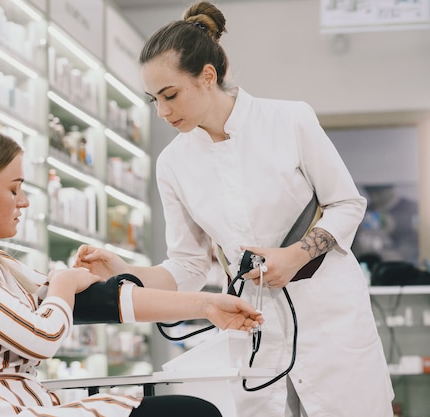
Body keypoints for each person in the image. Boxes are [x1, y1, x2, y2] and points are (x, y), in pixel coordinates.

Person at [75, 2, 394, 416]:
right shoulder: (173, 163)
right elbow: (186, 265)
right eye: (154, 99)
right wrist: (123, 271)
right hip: (256, 328)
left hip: (330, 318)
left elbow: (347, 203)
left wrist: (296, 255)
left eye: (170, 95)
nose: (162, 112)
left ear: (208, 77)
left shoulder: (289, 120)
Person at [0, 122, 264, 417]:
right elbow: (39, 338)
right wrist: (64, 284)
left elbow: (100, 301)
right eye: (14, 189)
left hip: (26, 403)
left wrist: (206, 307)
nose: (23, 202)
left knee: (190, 410)